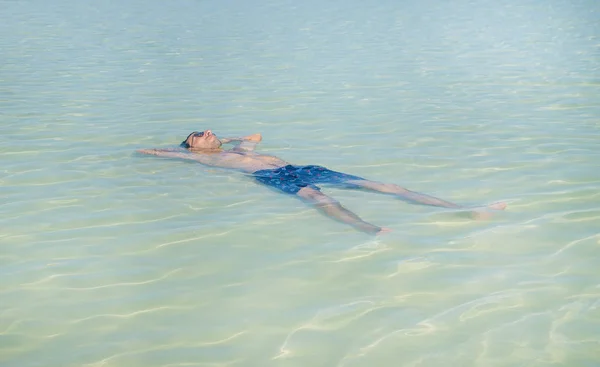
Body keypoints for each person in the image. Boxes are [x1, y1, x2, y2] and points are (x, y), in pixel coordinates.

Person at [137, 130, 506, 235]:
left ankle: (468, 210)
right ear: (192, 146)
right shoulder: (198, 156)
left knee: (384, 186)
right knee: (324, 202)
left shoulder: (237, 147)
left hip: (302, 166)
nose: (208, 132)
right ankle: (371, 230)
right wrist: (191, 148)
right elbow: (149, 152)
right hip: (273, 176)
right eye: (200, 134)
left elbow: (257, 135)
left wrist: (227, 137)